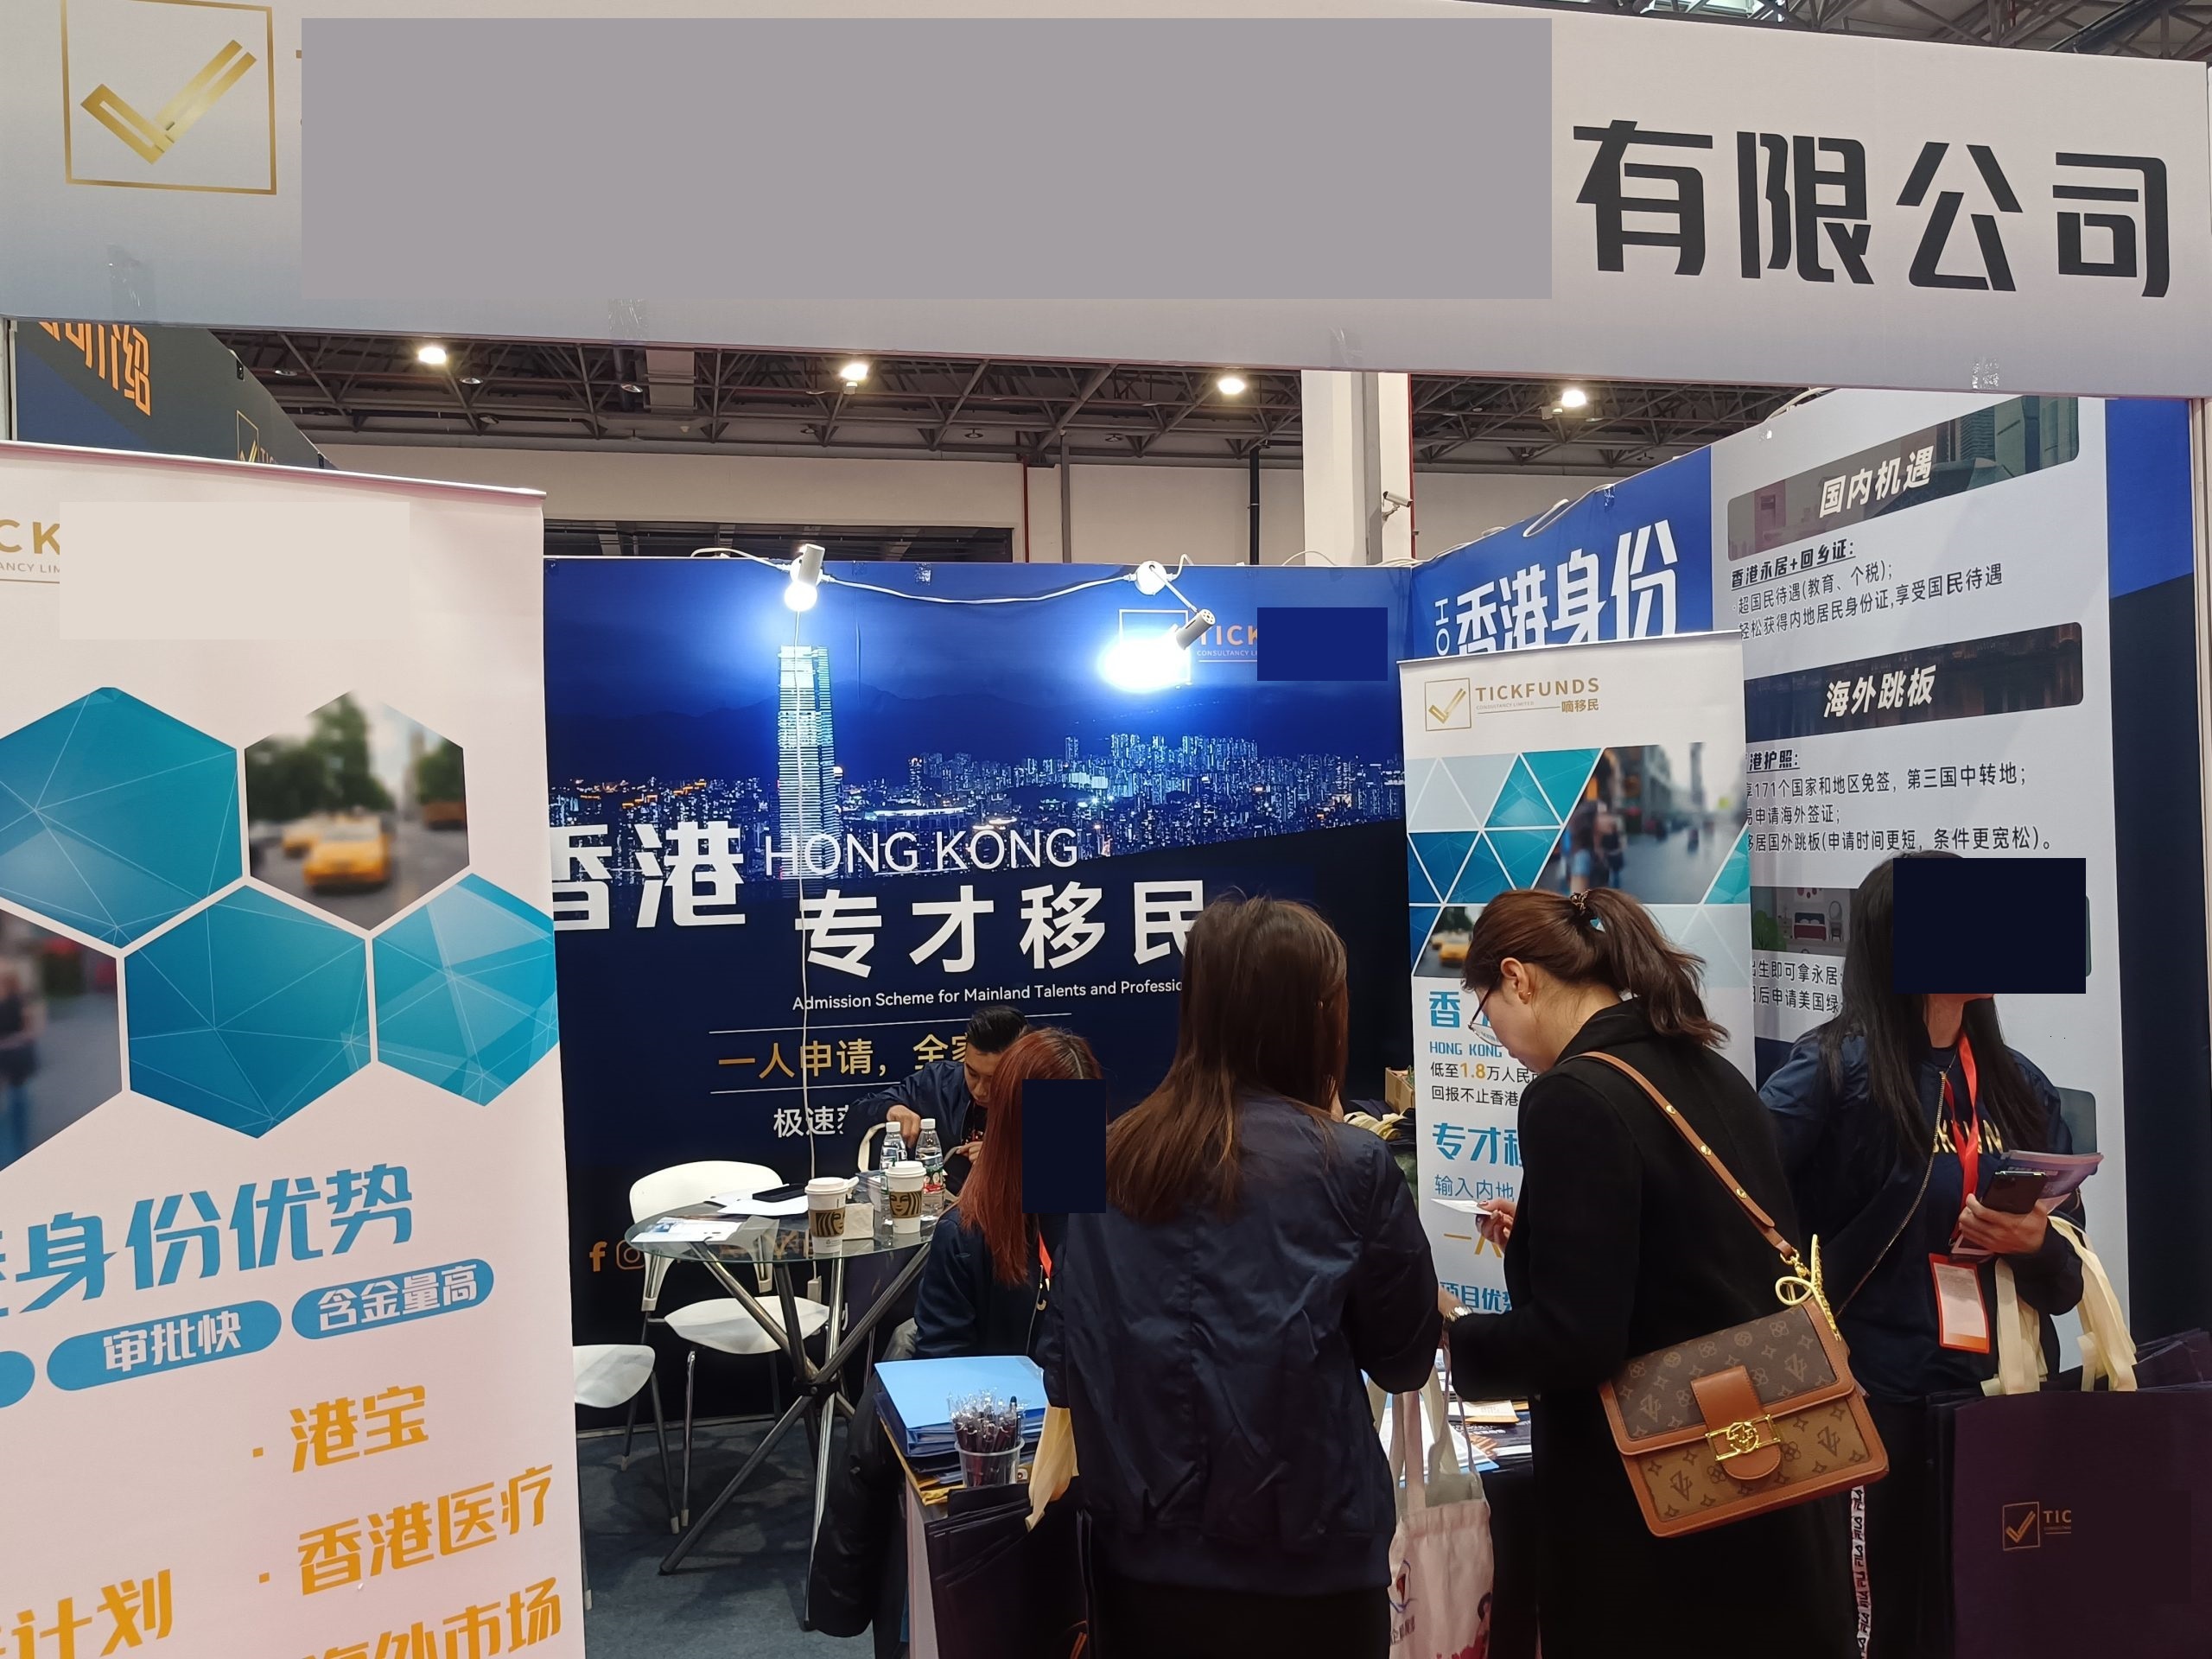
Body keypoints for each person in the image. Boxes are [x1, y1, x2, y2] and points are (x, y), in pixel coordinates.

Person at [1440, 887, 1855, 1659]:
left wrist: (1457, 1339)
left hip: (1660, 1505)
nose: (1495, 1036)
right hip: (1768, 1475)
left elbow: (1580, 1338)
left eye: (1484, 1010)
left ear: (1517, 978)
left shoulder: (1571, 1094)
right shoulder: (1705, 1068)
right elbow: (1697, 1250)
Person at [1040, 896, 1440, 1659]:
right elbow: (1404, 1359)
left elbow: (1064, 1349)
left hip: (1138, 1559)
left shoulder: (1099, 1152)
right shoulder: (1351, 1164)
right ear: (1316, 1016)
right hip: (1309, 1564)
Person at [1762, 854, 2084, 1659]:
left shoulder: (2020, 1087)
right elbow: (1738, 1201)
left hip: (2001, 1394)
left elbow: (2069, 1278)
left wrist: (2036, 1244)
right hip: (1878, 1397)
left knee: (1992, 1612)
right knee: (1882, 1622)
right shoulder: (1833, 1071)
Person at [808, 1026, 1096, 1650]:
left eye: (1078, 1123)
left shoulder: (1113, 1220)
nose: (1069, 1143)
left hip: (1093, 1464)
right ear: (1016, 1126)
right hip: (995, 1472)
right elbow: (948, 1389)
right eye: (1052, 1124)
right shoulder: (968, 1233)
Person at [854, 1003, 1026, 1192]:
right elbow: (855, 1116)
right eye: (972, 1073)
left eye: (994, 1079)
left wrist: (1008, 1162)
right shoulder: (937, 1082)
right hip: (941, 1205)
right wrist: (890, 1109)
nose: (980, 1090)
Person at [0, 961, 43, 1167]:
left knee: (17, 1104)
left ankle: (18, 1155)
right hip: (10, 1057)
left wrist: (10, 1041)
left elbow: (30, 1031)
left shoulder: (20, 1002)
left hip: (15, 1060)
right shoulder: (19, 1001)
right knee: (11, 1108)